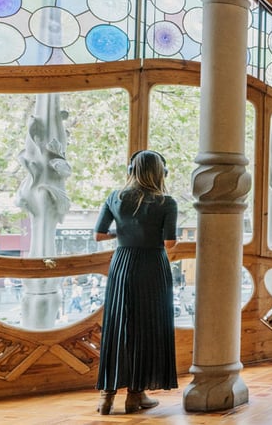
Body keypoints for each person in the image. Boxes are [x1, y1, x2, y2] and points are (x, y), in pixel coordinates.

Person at [93, 150, 178, 415]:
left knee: (118, 325)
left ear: (131, 170)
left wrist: (122, 232)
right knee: (147, 327)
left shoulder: (114, 197)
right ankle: (134, 395)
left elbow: (98, 235)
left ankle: (107, 397)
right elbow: (169, 242)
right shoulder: (166, 202)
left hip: (122, 265)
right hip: (152, 266)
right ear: (161, 172)